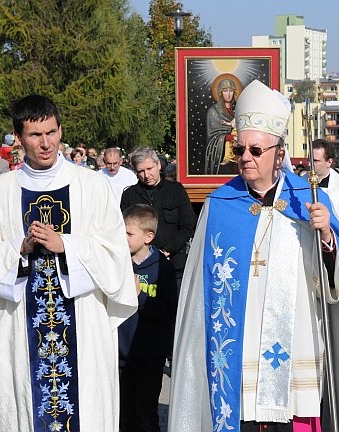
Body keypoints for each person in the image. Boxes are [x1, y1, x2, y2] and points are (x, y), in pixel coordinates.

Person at [169, 80, 339, 431]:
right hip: (239, 350)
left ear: (279, 153)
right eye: (240, 150)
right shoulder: (220, 205)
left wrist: (327, 235)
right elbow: (199, 295)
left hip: (296, 343)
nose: (246, 157)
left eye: (255, 150)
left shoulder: (309, 199)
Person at [0, 95, 138, 431]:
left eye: (52, 133)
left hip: (83, 327)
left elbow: (115, 254)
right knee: (26, 409)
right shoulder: (0, 191)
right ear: (18, 137)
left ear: (60, 130)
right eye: (35, 135)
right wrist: (19, 248)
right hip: (21, 329)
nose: (46, 144)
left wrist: (65, 245)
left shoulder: (92, 186)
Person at [119, 204, 177, 432]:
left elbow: (167, 311)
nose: (123, 237)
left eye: (129, 233)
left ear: (148, 237)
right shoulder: (119, 264)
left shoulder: (163, 269)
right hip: (120, 357)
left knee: (145, 415)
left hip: (150, 356)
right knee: (123, 416)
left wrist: (140, 296)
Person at [120, 148, 196, 289]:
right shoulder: (129, 195)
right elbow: (123, 231)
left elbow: (188, 226)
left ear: (159, 165)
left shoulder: (176, 190)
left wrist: (168, 249)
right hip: (139, 268)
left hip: (174, 265)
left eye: (150, 168)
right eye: (141, 171)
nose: (146, 175)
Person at [206, 77, 240, 174]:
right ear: (220, 93)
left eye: (231, 91)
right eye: (225, 91)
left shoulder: (237, 111)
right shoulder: (214, 112)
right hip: (221, 155)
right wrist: (232, 137)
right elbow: (213, 137)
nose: (228, 94)